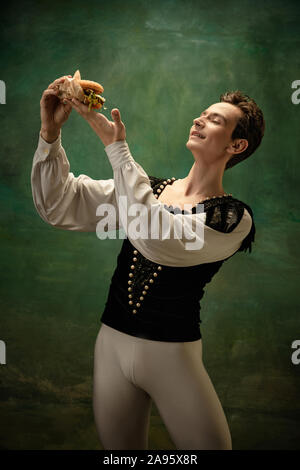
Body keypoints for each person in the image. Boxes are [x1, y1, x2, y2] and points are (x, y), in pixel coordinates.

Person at [31, 75, 265, 450]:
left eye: (215, 120)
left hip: (172, 355)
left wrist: (116, 147)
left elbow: (155, 236)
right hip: (110, 346)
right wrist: (49, 132)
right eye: (202, 114)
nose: (199, 120)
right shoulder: (147, 189)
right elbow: (59, 204)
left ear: (237, 145)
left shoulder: (233, 219)